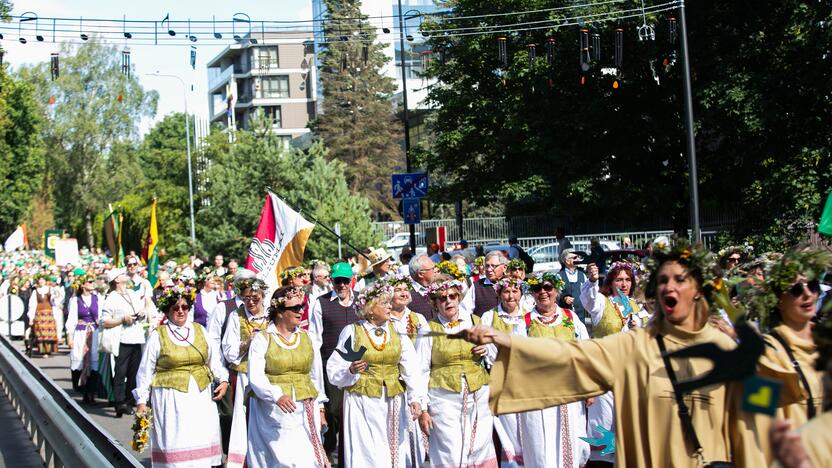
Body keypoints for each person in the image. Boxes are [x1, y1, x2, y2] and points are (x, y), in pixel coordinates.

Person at [463, 239, 793, 466]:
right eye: (663, 281)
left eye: (681, 280)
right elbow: (573, 356)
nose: (670, 288)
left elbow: (760, 407)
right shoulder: (636, 344)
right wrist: (506, 341)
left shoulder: (724, 346)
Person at [736, 247, 830, 465]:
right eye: (796, 289)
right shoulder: (766, 356)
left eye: (813, 286)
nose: (807, 294)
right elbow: (755, 427)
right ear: (778, 299)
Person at [325, 283, 425, 468]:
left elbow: (411, 367)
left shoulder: (397, 331)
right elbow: (333, 369)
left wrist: (415, 398)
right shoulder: (352, 331)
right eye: (384, 303)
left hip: (393, 399)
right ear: (370, 310)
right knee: (367, 451)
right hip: (361, 401)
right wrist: (350, 370)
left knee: (392, 448)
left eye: (389, 303)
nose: (389, 306)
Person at [133, 287, 229, 467]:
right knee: (176, 442)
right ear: (168, 311)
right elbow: (145, 371)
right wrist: (141, 401)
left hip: (199, 397)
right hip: (171, 400)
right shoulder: (158, 335)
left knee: (201, 438)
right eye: (175, 308)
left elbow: (214, 360)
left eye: (184, 307)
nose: (180, 311)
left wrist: (223, 380)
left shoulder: (200, 330)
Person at [417, 276, 497, 467]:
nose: (448, 301)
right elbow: (420, 370)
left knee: (479, 444)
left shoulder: (475, 321)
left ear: (459, 297)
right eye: (442, 298)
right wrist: (423, 408)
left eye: (452, 296)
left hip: (479, 391)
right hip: (444, 396)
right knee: (451, 448)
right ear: (435, 303)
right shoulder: (428, 328)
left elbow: (495, 355)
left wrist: (485, 350)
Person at [247, 286, 329, 467]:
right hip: (273, 410)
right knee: (280, 457)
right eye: (295, 308)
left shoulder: (307, 337)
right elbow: (256, 377)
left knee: (306, 456)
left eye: (302, 306)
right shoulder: (263, 339)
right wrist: (276, 395)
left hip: (305, 407)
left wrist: (321, 408)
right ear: (280, 312)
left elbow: (316, 376)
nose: (301, 311)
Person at [579, 261, 648, 466]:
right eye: (619, 279)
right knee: (603, 423)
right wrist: (592, 281)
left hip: (630, 373)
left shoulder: (636, 307)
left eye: (628, 279)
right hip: (605, 372)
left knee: (628, 423)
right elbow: (588, 300)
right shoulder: (602, 301)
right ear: (611, 282)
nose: (624, 283)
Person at [522, 272, 590, 468]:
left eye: (548, 288)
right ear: (532, 294)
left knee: (574, 443)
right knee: (542, 446)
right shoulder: (525, 322)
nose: (543, 292)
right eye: (537, 289)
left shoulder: (570, 317)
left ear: (556, 291)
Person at [307, 261, 359, 460]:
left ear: (351, 281)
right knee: (334, 409)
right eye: (338, 281)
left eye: (345, 281)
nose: (342, 285)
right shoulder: (322, 303)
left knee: (352, 410)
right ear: (332, 281)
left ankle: (347, 454)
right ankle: (328, 449)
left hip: (357, 363)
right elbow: (314, 337)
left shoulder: (360, 301)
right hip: (331, 363)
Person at [480, 277, 531, 466]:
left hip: (527, 378)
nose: (511, 296)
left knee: (528, 424)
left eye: (515, 291)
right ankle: (512, 463)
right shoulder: (489, 316)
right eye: (506, 292)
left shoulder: (529, 315)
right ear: (499, 294)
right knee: (508, 427)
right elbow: (488, 349)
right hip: (502, 376)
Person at [222, 276, 270, 467]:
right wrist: (247, 343)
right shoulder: (236, 316)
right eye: (246, 298)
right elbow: (228, 351)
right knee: (244, 416)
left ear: (262, 296)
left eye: (255, 298)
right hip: (244, 375)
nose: (250, 301)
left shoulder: (271, 315)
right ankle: (243, 459)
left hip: (268, 373)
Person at [387, 272, 431, 467]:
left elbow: (426, 350)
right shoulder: (384, 320)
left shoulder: (418, 318)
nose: (404, 293)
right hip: (393, 381)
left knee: (415, 433)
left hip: (415, 378)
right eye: (398, 290)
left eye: (406, 289)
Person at [101, 267, 148, 417]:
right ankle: (119, 402)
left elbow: (143, 312)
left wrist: (142, 314)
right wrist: (122, 319)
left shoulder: (132, 293)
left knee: (134, 373)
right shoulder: (111, 297)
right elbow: (105, 321)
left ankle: (129, 401)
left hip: (136, 337)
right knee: (120, 372)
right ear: (116, 280)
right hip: (121, 339)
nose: (125, 275)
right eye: (122, 274)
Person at [66, 272, 101, 403]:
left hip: (94, 332)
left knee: (94, 360)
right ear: (83, 284)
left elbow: (102, 315)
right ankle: (83, 388)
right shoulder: (75, 300)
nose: (93, 284)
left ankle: (91, 391)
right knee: (80, 359)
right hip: (80, 333)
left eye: (93, 281)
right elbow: (71, 320)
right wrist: (70, 337)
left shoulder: (98, 298)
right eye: (90, 282)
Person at [460, 251, 507, 317]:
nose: (489, 269)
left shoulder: (511, 285)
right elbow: (464, 309)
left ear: (504, 268)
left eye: (493, 266)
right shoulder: (477, 286)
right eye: (487, 266)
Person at [27, 274, 59, 357]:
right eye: (40, 280)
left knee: (48, 333)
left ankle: (48, 351)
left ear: (45, 281)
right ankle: (42, 350)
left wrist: (55, 296)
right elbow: (32, 304)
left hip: (49, 313)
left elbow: (54, 302)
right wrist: (31, 317)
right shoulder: (35, 291)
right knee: (40, 332)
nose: (41, 281)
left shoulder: (50, 290)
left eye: (43, 280)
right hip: (39, 313)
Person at [558, 249, 589, 325]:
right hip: (565, 313)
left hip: (580, 314)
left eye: (578, 257)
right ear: (567, 261)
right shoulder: (559, 276)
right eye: (575, 257)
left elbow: (587, 292)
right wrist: (564, 298)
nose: (578, 259)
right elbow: (556, 293)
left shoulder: (583, 275)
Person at [408, 255, 437, 320]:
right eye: (432, 269)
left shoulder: (438, 287)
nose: (435, 271)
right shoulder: (408, 294)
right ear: (421, 274)